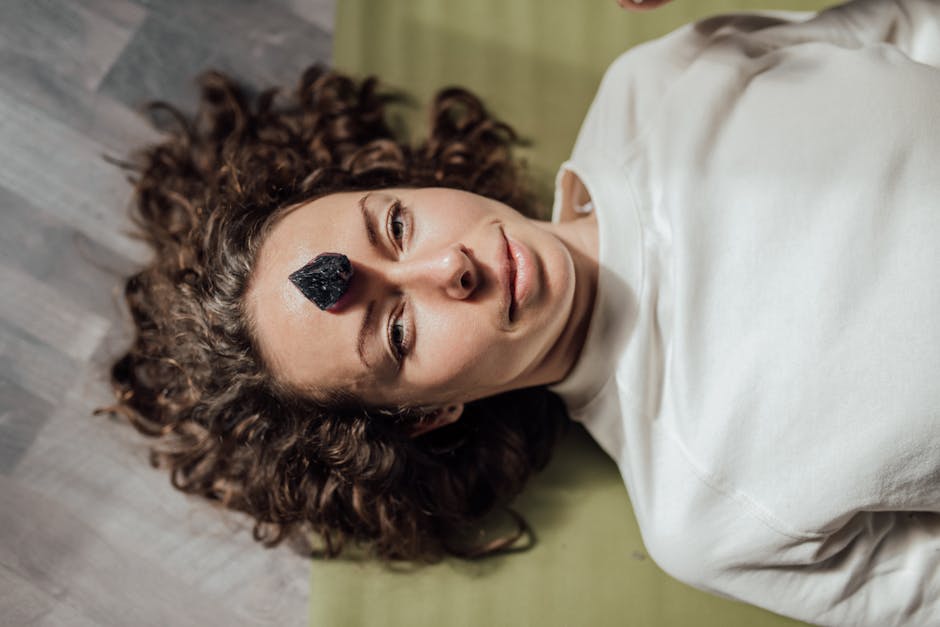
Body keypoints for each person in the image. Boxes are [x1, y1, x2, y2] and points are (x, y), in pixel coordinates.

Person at [96, 0, 940, 623]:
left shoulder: (657, 83)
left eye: (396, 224)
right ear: (430, 414)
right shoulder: (704, 515)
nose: (447, 267)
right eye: (397, 329)